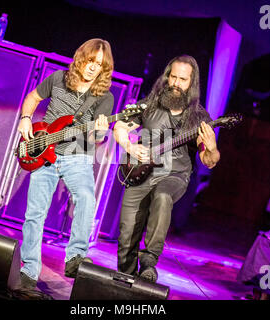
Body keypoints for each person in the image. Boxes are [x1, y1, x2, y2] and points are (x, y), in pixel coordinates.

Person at [17, 39, 114, 291]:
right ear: (81, 57)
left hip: (77, 156)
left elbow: (97, 139)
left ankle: (75, 258)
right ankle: (28, 272)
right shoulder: (58, 78)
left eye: (99, 65)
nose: (93, 68)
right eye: (91, 61)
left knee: (86, 198)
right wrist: (26, 118)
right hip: (43, 149)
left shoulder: (104, 97)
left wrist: (101, 132)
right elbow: (33, 97)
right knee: (35, 213)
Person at [113, 55, 220, 282]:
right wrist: (129, 146)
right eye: (173, 77)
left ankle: (149, 262)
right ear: (167, 77)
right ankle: (126, 279)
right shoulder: (149, 104)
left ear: (191, 83)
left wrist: (211, 149)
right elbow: (120, 126)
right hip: (140, 173)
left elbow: (209, 160)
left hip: (174, 175)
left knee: (162, 197)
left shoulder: (199, 117)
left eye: (183, 79)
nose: (176, 84)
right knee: (126, 236)